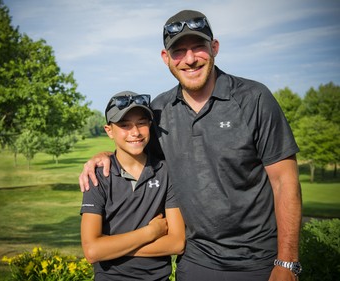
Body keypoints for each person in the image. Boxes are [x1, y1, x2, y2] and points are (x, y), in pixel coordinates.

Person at [79, 10, 302, 281]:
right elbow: (133, 145)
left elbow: (285, 182)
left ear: (215, 48)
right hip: (195, 262)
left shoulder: (254, 99)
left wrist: (287, 263)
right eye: (179, 51)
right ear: (166, 59)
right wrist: (104, 155)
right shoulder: (159, 111)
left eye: (198, 47)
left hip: (257, 261)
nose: (190, 59)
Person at [80, 90, 185, 281]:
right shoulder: (97, 177)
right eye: (124, 125)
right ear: (109, 130)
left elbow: (177, 243)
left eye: (141, 123)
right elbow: (93, 251)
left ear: (150, 125)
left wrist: (111, 248)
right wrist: (150, 232)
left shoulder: (166, 172)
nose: (135, 132)